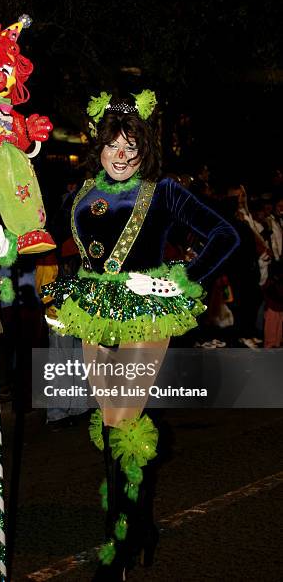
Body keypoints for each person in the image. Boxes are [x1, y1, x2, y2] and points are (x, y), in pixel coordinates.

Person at [42, 90, 240, 580]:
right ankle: (138, 529)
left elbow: (226, 235)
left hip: (146, 313)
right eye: (114, 144)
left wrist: (183, 278)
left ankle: (121, 543)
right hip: (93, 311)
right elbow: (40, 230)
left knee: (128, 423)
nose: (123, 154)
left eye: (132, 144)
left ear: (144, 147)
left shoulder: (165, 191)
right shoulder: (79, 192)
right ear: (99, 145)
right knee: (111, 424)